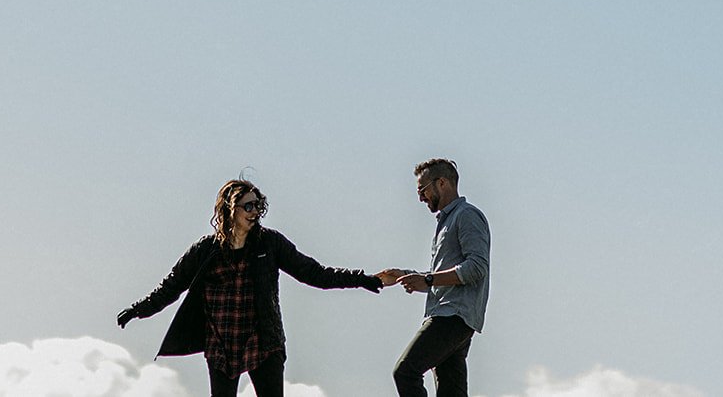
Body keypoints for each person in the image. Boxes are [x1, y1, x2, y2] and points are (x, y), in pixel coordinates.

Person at [117, 178, 397, 397]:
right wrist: (137, 310)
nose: (255, 212)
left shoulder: (269, 244)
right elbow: (171, 287)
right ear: (230, 209)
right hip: (221, 344)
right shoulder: (206, 250)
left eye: (258, 205)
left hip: (263, 343)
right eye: (248, 206)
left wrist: (365, 279)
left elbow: (314, 273)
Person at [382, 158, 491, 397]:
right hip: (453, 316)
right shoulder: (447, 221)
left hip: (451, 316)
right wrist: (409, 276)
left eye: (422, 189)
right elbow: (445, 278)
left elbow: (476, 267)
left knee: (405, 371)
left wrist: (428, 280)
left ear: (442, 183)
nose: (420, 197)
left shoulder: (467, 216)